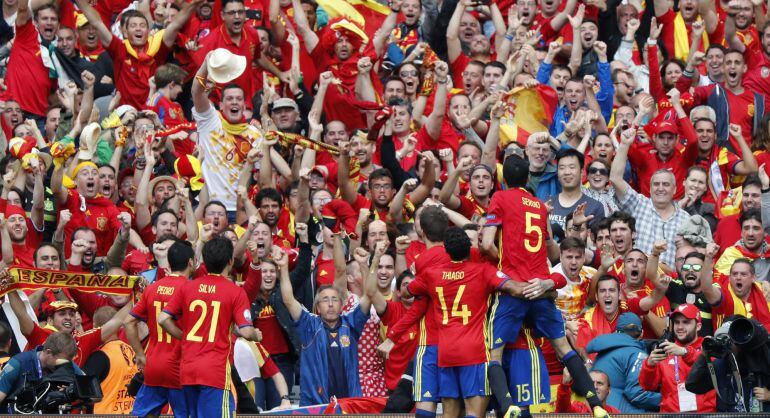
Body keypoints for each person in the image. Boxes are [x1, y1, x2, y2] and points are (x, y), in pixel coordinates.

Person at [481, 156, 610, 418]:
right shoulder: (540, 207)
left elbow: (486, 244)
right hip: (541, 288)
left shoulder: (501, 198)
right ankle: (596, 404)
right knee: (563, 348)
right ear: (528, 178)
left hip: (515, 286)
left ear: (504, 179)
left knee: (493, 353)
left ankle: (507, 408)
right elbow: (551, 249)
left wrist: (503, 264)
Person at [159, 236, 262, 418]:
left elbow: (163, 319)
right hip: (214, 372)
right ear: (230, 262)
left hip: (188, 369)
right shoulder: (234, 291)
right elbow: (246, 330)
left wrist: (184, 337)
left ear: (204, 261)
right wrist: (256, 335)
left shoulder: (188, 287)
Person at [278, 236, 372, 405]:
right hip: (316, 406)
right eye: (325, 300)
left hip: (349, 404)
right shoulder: (309, 325)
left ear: (342, 304)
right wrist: (284, 268)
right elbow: (288, 300)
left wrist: (364, 266)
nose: (330, 304)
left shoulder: (351, 323)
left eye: (334, 300)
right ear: (317, 307)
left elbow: (369, 295)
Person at [125, 240, 194, 418]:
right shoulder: (191, 290)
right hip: (180, 367)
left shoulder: (152, 288)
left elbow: (128, 322)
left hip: (154, 365)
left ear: (169, 264)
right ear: (191, 262)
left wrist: (140, 354)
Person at [639, 303, 717, 412]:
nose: (680, 327)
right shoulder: (666, 349)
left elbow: (713, 369)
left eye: (686, 322)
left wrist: (685, 352)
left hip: (704, 415)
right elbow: (648, 386)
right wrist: (649, 365)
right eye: (677, 322)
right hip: (671, 414)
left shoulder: (708, 346)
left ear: (698, 326)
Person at [585, 313, 661, 412]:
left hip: (592, 405)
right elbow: (637, 395)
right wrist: (667, 399)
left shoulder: (604, 347)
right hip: (612, 408)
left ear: (616, 331)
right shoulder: (637, 354)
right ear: (641, 333)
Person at [0, 332, 80, 409]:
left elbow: (88, 388)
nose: (64, 365)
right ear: (49, 352)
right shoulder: (18, 363)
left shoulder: (66, 362)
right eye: (61, 360)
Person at [83, 306, 139, 414]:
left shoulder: (100, 356)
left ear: (94, 326)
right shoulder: (133, 350)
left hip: (105, 413)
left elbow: (85, 393)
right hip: (132, 412)